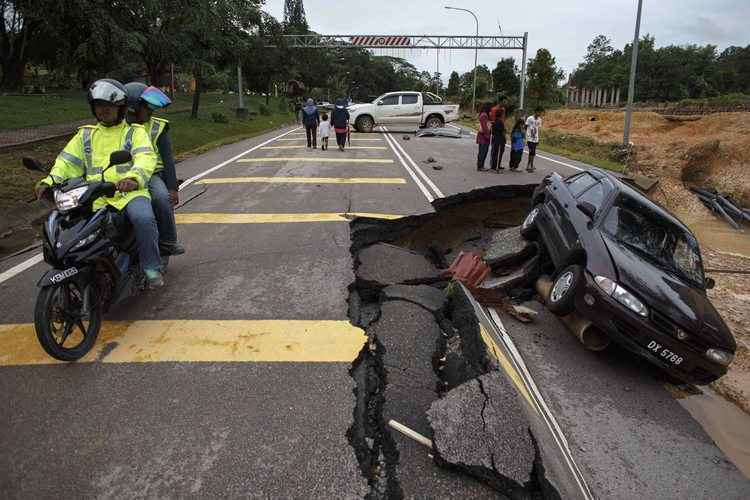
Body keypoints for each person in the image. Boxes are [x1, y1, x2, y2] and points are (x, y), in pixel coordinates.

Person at [35, 79, 164, 288]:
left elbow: (145, 158)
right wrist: (50, 180)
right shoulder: (85, 134)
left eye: (109, 105)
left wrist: (133, 178)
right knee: (66, 227)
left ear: (121, 108)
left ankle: (151, 267)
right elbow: (67, 162)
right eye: (99, 105)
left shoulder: (134, 132)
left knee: (143, 218)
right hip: (91, 195)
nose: (103, 110)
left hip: (128, 193)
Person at [124, 82, 185, 257]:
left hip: (151, 175)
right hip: (120, 175)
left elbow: (168, 158)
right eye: (147, 107)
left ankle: (168, 242)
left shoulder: (158, 126)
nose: (151, 111)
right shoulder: (117, 126)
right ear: (133, 108)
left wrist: (172, 188)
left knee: (161, 198)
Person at [525, 108, 543, 172]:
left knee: (533, 152)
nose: (539, 114)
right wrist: (526, 137)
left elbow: (538, 129)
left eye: (540, 113)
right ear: (535, 112)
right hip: (529, 137)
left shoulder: (539, 120)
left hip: (535, 138)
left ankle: (529, 165)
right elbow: (526, 126)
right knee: (531, 151)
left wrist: (538, 139)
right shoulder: (530, 118)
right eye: (538, 112)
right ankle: (530, 166)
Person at [490, 105, 507, 172]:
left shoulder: (494, 122)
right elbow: (503, 131)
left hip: (495, 138)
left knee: (494, 153)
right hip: (499, 139)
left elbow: (493, 131)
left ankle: (493, 166)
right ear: (500, 115)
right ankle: (496, 167)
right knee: (498, 153)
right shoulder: (500, 122)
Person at [476, 102, 492, 171]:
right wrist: (487, 136)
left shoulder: (483, 114)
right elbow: (484, 127)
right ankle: (480, 166)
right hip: (484, 137)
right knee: (483, 152)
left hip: (483, 137)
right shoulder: (484, 115)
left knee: (483, 152)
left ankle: (481, 166)